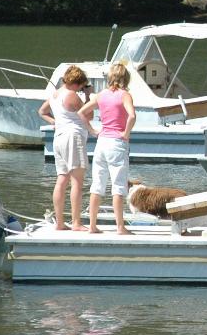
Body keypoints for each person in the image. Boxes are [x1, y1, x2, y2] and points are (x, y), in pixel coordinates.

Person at [37, 66, 97, 230]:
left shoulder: (55, 94)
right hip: (73, 137)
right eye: (81, 85)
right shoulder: (71, 95)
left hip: (59, 138)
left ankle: (60, 222)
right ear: (77, 83)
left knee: (62, 180)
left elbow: (42, 111)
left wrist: (54, 122)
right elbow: (89, 114)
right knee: (77, 181)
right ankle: (76, 222)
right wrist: (87, 94)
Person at [79, 63, 136, 235]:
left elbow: (81, 112)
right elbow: (132, 115)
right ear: (125, 78)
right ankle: (120, 227)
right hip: (117, 143)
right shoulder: (125, 95)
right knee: (118, 185)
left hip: (101, 142)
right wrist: (126, 133)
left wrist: (92, 131)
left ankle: (92, 226)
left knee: (97, 184)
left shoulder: (100, 95)